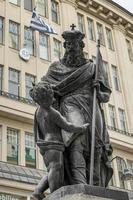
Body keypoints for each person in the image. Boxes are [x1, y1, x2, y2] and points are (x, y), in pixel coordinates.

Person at [41, 26, 113, 186]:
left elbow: (106, 95)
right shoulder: (56, 68)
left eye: (74, 45)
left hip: (92, 105)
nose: (70, 48)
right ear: (65, 47)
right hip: (70, 104)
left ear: (81, 47)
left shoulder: (92, 67)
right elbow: (43, 88)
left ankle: (95, 186)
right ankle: (80, 185)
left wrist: (100, 93)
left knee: (97, 147)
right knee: (76, 141)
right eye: (67, 45)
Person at [30, 81, 89, 199]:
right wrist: (82, 128)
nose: (53, 99)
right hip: (54, 145)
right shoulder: (52, 113)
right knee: (56, 168)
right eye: (51, 96)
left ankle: (38, 190)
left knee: (51, 168)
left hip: (45, 145)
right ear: (46, 98)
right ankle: (55, 193)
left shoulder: (38, 111)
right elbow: (68, 126)